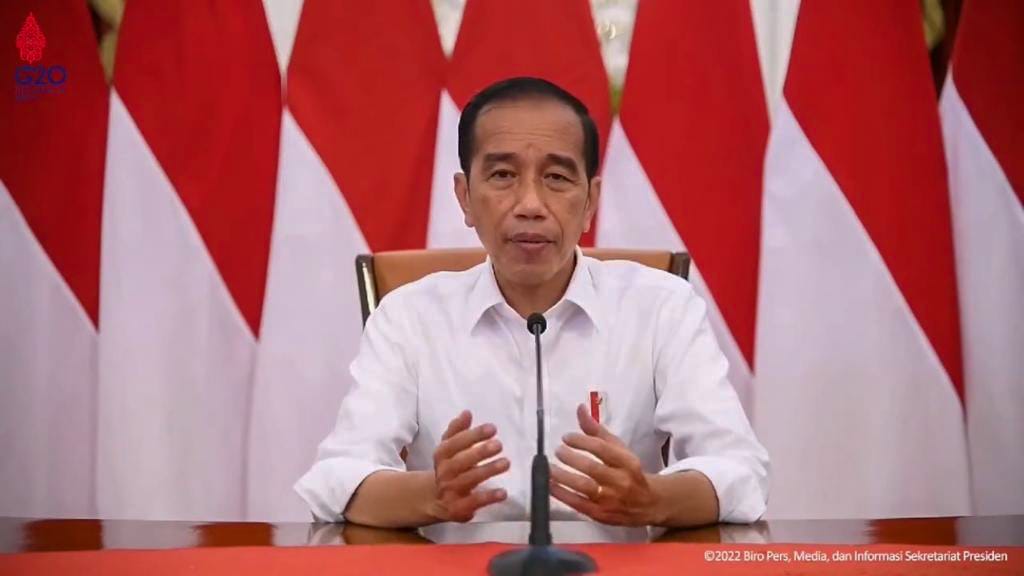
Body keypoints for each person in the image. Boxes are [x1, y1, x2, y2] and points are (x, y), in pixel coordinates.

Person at [295, 77, 769, 528]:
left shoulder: (661, 308)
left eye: (557, 178)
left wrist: (654, 499)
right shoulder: (409, 317)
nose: (530, 204)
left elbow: (739, 470)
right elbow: (339, 478)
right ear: (464, 196)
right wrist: (431, 495)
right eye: (502, 175)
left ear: (590, 201)